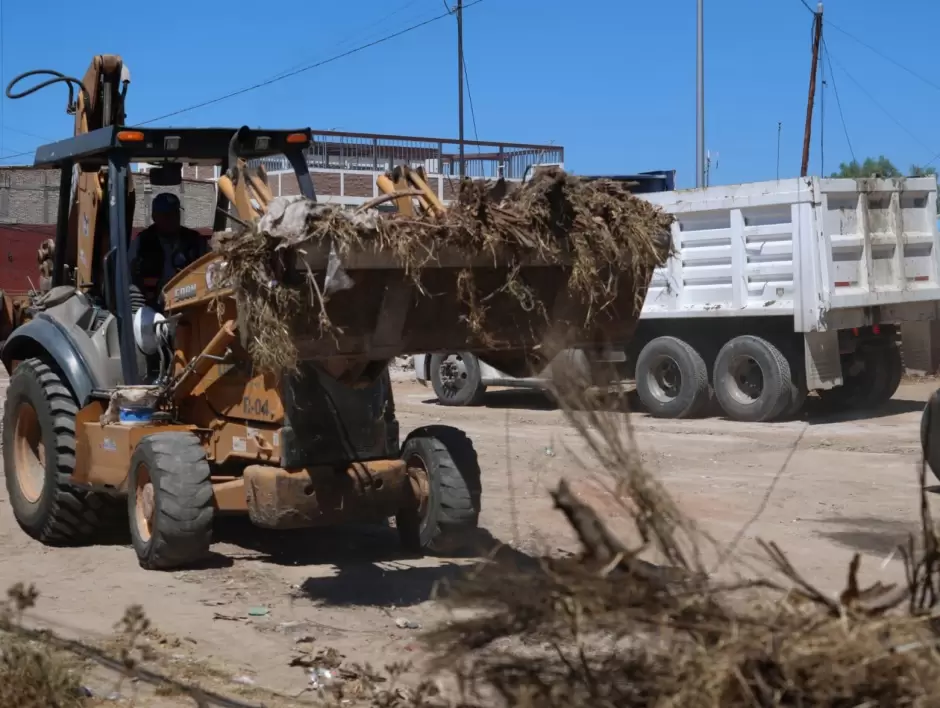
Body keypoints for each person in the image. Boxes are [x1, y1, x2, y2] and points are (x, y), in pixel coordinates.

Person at [129, 192, 208, 308]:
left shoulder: (195, 240)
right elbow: (128, 276)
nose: (172, 219)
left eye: (175, 213)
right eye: (166, 215)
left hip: (189, 303)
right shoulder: (142, 241)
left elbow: (210, 270)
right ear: (154, 217)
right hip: (151, 305)